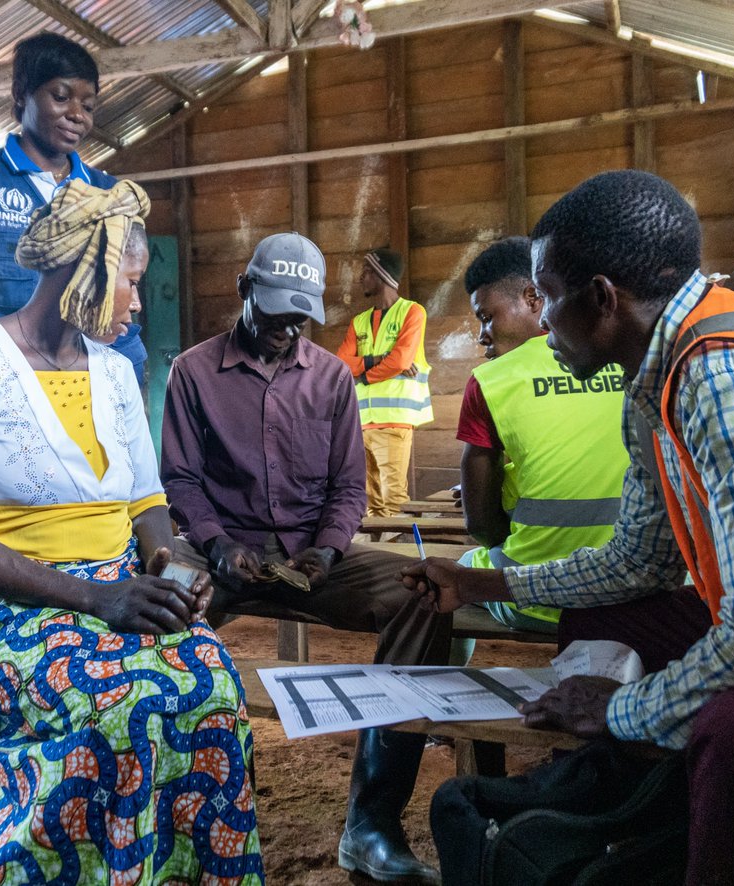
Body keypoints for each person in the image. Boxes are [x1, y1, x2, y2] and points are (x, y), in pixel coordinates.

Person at [405, 170, 734, 883]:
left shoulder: (729, 380)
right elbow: (638, 562)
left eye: (550, 298)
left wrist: (626, 708)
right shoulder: (659, 375)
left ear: (601, 299)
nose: (541, 321)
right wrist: (489, 579)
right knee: (611, 618)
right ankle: (629, 820)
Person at [0, 180, 263, 885]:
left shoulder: (114, 372)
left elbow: (145, 504)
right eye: (131, 282)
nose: (138, 301)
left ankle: (182, 871)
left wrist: (167, 574)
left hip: (114, 587)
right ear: (90, 270)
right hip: (6, 603)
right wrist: (94, 599)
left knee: (214, 687)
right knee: (115, 702)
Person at [161, 232, 449, 885]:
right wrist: (217, 545)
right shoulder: (193, 372)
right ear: (244, 292)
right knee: (158, 602)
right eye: (275, 313)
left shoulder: (329, 378)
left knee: (417, 594)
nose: (288, 329)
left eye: (301, 316)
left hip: (311, 558)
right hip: (222, 553)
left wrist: (324, 551)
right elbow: (180, 479)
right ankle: (182, 817)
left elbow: (349, 488)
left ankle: (371, 823)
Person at [0, 31, 147, 387]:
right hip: (10, 377)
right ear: (21, 94)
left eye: (88, 107)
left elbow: (122, 298)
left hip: (102, 369)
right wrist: (3, 364)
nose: (77, 115)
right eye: (61, 97)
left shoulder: (109, 192)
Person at [455, 236, 628, 643]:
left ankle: (433, 698)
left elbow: (479, 524)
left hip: (538, 599)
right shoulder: (621, 357)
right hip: (638, 594)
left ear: (533, 297)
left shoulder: (490, 381)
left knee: (454, 574)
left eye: (486, 316)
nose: (482, 334)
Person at [337, 248, 432, 517]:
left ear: (382, 276)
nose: (360, 278)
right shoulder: (359, 321)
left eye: (366, 272)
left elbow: (401, 360)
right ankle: (376, 556)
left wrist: (363, 374)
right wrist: (378, 360)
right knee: (368, 503)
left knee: (394, 499)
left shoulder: (413, 312)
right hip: (360, 422)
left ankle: (396, 558)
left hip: (394, 420)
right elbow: (341, 364)